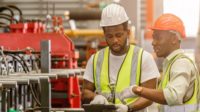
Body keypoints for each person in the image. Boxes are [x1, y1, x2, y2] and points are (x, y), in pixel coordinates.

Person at [82, 3, 160, 112]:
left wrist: (128, 108)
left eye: (119, 35)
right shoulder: (95, 60)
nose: (114, 40)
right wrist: (95, 97)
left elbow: (150, 96)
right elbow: (85, 91)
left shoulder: (143, 58)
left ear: (127, 32)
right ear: (104, 34)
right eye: (110, 36)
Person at [124, 13, 200, 112]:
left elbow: (172, 96)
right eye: (153, 37)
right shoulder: (171, 64)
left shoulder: (181, 63)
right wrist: (128, 107)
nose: (153, 42)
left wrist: (138, 90)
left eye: (158, 38)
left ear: (173, 39)